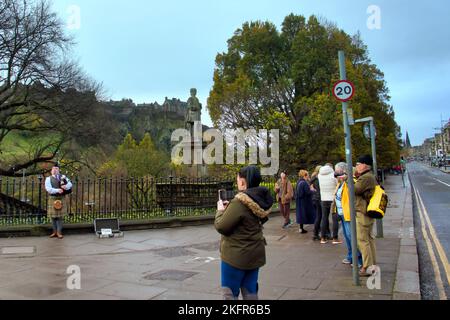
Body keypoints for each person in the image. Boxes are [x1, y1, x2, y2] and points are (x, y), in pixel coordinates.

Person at [215, 166, 273, 300]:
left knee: (229, 293)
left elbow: (221, 226)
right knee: (251, 292)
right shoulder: (261, 199)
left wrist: (220, 210)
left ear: (242, 182)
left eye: (238, 180)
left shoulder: (240, 202)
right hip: (255, 254)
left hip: (236, 256)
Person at [331, 163, 363, 267]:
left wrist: (347, 179)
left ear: (344, 171)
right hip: (342, 213)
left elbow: (354, 191)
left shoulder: (351, 181)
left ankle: (358, 259)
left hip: (348, 214)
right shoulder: (340, 183)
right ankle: (350, 256)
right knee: (347, 237)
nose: (336, 174)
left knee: (352, 237)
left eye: (338, 172)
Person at [354, 155, 378, 277]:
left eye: (358, 163)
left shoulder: (365, 178)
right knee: (369, 239)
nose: (357, 166)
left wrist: (350, 178)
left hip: (362, 213)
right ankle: (372, 264)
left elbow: (354, 190)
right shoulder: (369, 176)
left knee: (362, 240)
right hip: (367, 212)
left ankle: (367, 266)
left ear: (365, 165)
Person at [45, 165, 72, 239]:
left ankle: (59, 232)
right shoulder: (48, 179)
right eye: (53, 169)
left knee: (60, 217)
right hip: (52, 198)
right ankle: (54, 232)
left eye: (56, 169)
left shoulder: (63, 177)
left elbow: (70, 184)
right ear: (51, 170)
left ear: (59, 170)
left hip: (61, 198)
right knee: (53, 217)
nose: (54, 170)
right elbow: (48, 189)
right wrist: (57, 190)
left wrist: (66, 187)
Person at [318, 163, 339, 244]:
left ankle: (323, 238)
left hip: (323, 198)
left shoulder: (319, 175)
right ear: (331, 167)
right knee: (335, 218)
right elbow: (337, 184)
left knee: (324, 217)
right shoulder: (333, 174)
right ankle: (335, 238)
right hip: (333, 199)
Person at [310, 166, 322, 241]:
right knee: (319, 216)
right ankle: (315, 234)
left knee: (318, 216)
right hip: (318, 199)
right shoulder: (318, 179)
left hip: (314, 199)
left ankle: (316, 233)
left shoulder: (313, 178)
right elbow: (318, 190)